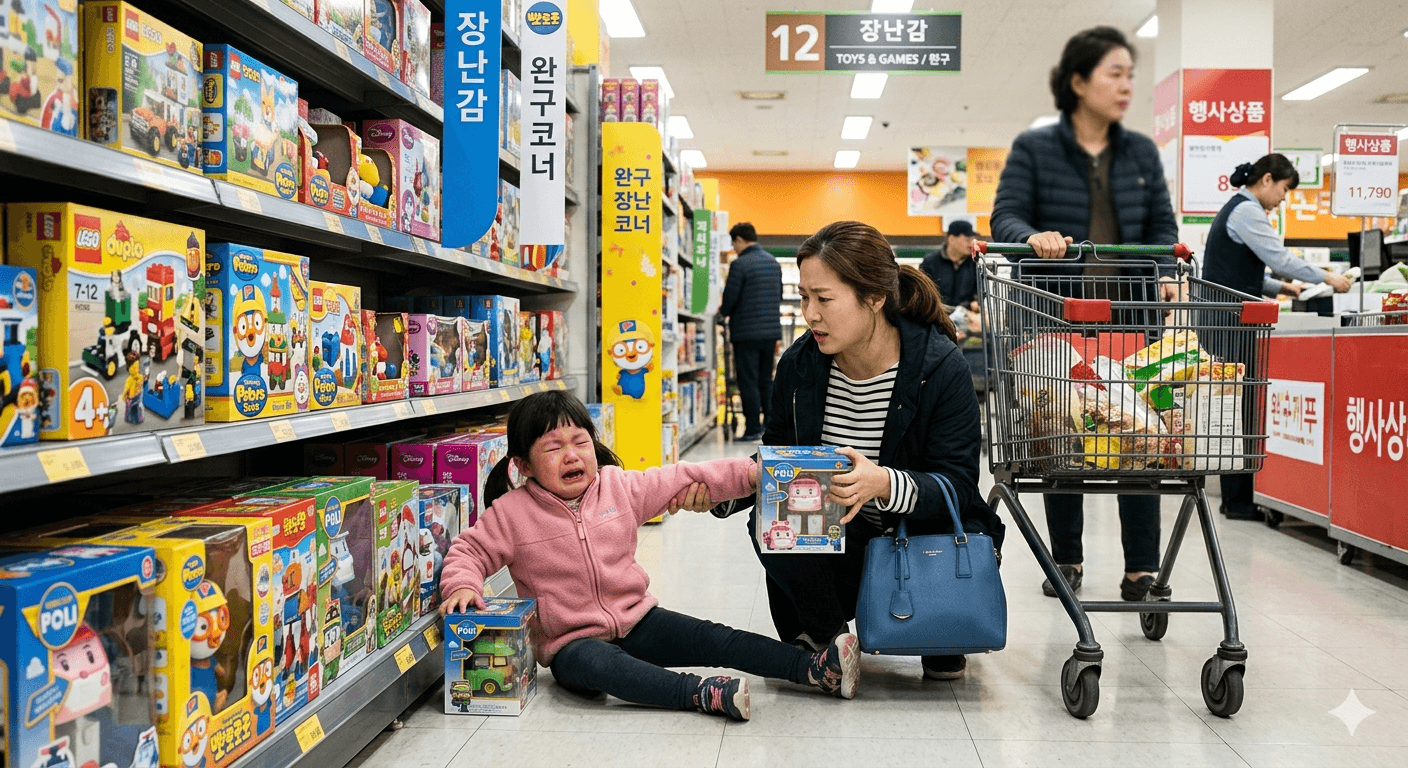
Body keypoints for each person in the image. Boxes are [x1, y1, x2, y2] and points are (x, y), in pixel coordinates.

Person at [439, 390, 861, 723]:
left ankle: (813, 667)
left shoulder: (619, 487)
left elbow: (685, 476)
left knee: (716, 637)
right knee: (606, 667)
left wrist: (756, 474)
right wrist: (462, 585)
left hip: (637, 618)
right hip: (572, 646)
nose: (572, 455)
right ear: (523, 466)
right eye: (553, 448)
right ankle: (700, 692)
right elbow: (469, 550)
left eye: (581, 442)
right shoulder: (511, 514)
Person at [707, 220, 1004, 682]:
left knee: (952, 516)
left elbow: (959, 485)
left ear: (874, 298)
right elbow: (778, 460)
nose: (810, 314)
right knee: (774, 512)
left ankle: (938, 624)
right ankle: (829, 639)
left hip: (919, 541)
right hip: (833, 550)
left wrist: (882, 483)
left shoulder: (939, 366)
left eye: (824, 299)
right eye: (805, 297)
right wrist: (723, 487)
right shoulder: (801, 365)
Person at [989, 26, 1178, 602]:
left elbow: (1163, 229)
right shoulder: (1036, 149)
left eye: (1129, 75)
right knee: (1063, 435)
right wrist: (1033, 236)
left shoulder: (1141, 152)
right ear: (1077, 81)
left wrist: (1166, 272)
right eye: (1113, 74)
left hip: (1129, 320)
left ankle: (1141, 570)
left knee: (1140, 438)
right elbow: (1005, 218)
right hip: (1054, 317)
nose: (1126, 86)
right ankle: (1065, 560)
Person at [1201, 154, 1351, 520]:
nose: (1284, 198)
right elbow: (1279, 257)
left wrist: (1283, 288)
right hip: (1231, 324)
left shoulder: (1237, 208)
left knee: (1234, 405)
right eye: (1284, 189)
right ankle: (1237, 502)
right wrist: (1327, 277)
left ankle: (1237, 498)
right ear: (1267, 180)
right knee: (1237, 407)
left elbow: (1241, 271)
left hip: (1225, 320)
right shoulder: (1247, 210)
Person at [720, 223, 783, 441]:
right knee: (766, 380)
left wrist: (722, 313)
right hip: (770, 332)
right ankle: (770, 427)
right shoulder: (773, 262)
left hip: (746, 333)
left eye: (733, 243)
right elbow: (779, 295)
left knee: (747, 380)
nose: (734, 248)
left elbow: (730, 299)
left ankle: (752, 428)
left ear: (739, 240)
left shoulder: (740, 264)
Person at [920, 220, 983, 341]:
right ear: (951, 239)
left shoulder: (975, 264)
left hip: (967, 322)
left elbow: (980, 292)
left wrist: (976, 303)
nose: (971, 244)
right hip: (935, 320)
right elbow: (923, 294)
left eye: (972, 240)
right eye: (967, 239)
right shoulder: (930, 262)